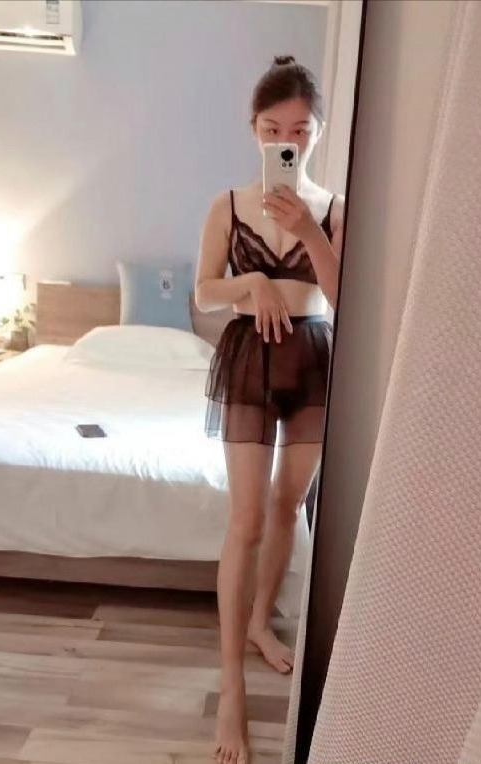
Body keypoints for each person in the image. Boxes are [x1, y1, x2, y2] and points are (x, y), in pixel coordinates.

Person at [195, 55, 344, 764]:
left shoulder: (334, 208)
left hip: (312, 359)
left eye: (300, 129)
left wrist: (310, 231)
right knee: (247, 518)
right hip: (249, 358)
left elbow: (346, 299)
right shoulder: (227, 205)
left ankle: (260, 622)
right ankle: (231, 687)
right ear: (252, 128)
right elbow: (203, 292)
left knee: (289, 506)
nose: (286, 140)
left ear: (318, 131)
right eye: (271, 128)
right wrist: (248, 281)